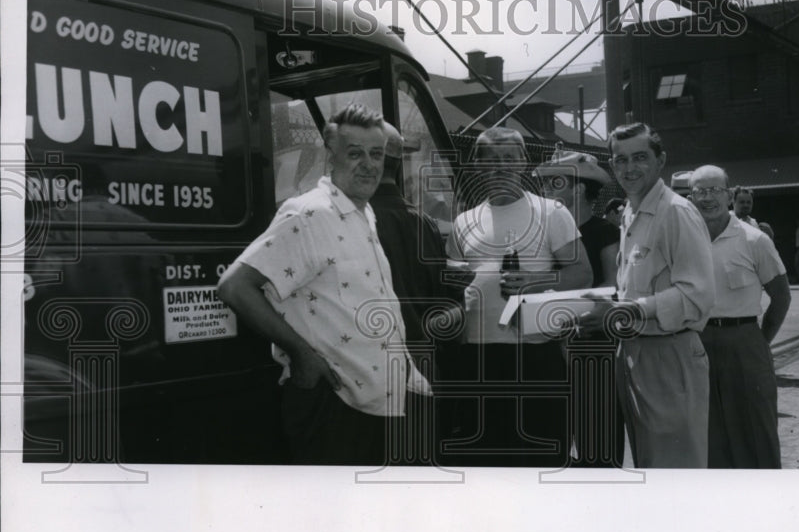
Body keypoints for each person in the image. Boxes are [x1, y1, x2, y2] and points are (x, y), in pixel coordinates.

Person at [218, 103, 432, 465]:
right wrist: (301, 354)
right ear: (330, 157)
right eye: (355, 153)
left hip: (377, 401)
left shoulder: (364, 212)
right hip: (335, 403)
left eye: (376, 154)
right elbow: (235, 286)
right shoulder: (309, 213)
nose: (368, 164)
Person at [445, 128, 592, 466]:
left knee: (542, 458)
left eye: (509, 159)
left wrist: (533, 281)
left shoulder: (551, 211)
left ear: (524, 163)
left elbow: (581, 273)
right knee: (485, 461)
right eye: (491, 160)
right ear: (477, 166)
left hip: (535, 354)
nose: (500, 167)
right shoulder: (463, 221)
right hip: (478, 357)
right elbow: (456, 278)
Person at [580, 123, 715, 468]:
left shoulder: (676, 213)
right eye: (620, 160)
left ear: (661, 161)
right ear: (612, 166)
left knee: (674, 471)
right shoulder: (630, 211)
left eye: (640, 158)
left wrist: (622, 312)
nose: (629, 168)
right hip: (635, 354)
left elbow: (696, 295)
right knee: (649, 466)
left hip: (670, 355)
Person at [369, 122, 462, 462]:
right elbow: (445, 301)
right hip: (421, 364)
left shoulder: (351, 220)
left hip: (367, 368)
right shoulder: (422, 222)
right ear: (398, 165)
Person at [690, 165, 790, 469]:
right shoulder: (683, 241)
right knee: (707, 432)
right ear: (690, 197)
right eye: (700, 192)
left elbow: (781, 296)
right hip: (696, 342)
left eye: (715, 190)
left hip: (744, 339)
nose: (708, 198)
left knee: (755, 428)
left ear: (730, 195)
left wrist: (759, 339)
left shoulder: (754, 240)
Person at [535, 150, 624, 466]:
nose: (546, 191)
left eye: (554, 183)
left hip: (591, 344)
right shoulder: (544, 233)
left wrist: (570, 314)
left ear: (579, 188)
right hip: (547, 346)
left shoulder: (606, 232)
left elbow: (612, 285)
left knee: (597, 439)